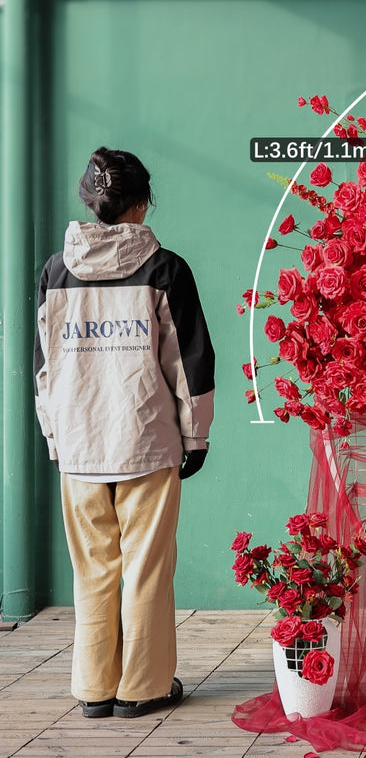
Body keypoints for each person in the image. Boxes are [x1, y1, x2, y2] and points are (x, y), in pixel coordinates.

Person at [32, 147, 215, 718]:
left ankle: (93, 688)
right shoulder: (166, 270)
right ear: (142, 202)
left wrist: (54, 436)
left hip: (80, 444)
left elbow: (45, 366)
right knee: (146, 567)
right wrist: (196, 436)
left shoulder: (56, 271)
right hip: (146, 441)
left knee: (93, 569)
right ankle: (143, 687)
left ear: (90, 202)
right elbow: (190, 364)